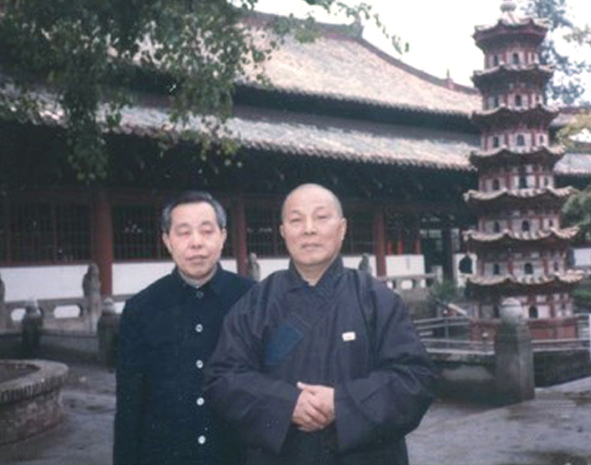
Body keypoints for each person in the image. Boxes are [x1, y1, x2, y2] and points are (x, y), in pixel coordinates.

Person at [205, 183, 435, 465]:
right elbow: (222, 379)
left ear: (342, 228)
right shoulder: (255, 303)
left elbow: (415, 379)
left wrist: (342, 404)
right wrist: (286, 404)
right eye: (296, 220)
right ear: (283, 232)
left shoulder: (377, 299)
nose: (308, 229)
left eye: (321, 217)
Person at [114, 191, 253, 465]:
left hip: (236, 455)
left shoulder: (253, 300)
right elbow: (130, 406)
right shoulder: (141, 309)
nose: (196, 243)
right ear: (167, 240)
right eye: (184, 232)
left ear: (223, 236)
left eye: (206, 231)